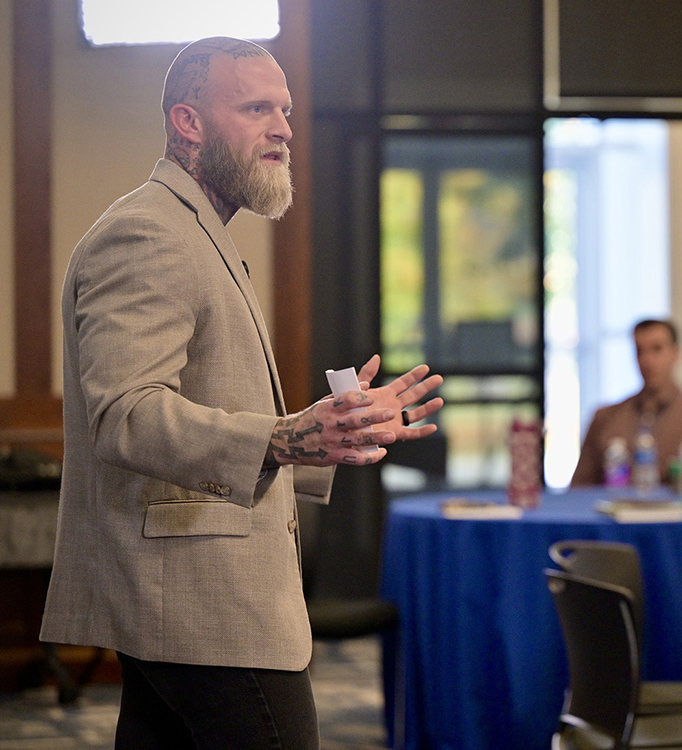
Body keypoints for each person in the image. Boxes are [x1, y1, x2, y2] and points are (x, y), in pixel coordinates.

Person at [39, 37, 444, 750]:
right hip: (204, 606)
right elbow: (125, 417)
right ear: (188, 123)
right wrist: (290, 435)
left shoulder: (198, 231)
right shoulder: (148, 232)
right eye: (257, 107)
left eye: (284, 109)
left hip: (185, 602)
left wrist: (329, 431)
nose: (284, 127)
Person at [570, 318, 682, 487]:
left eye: (657, 349)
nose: (647, 360)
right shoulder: (606, 417)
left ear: (676, 353)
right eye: (639, 351)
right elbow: (579, 487)